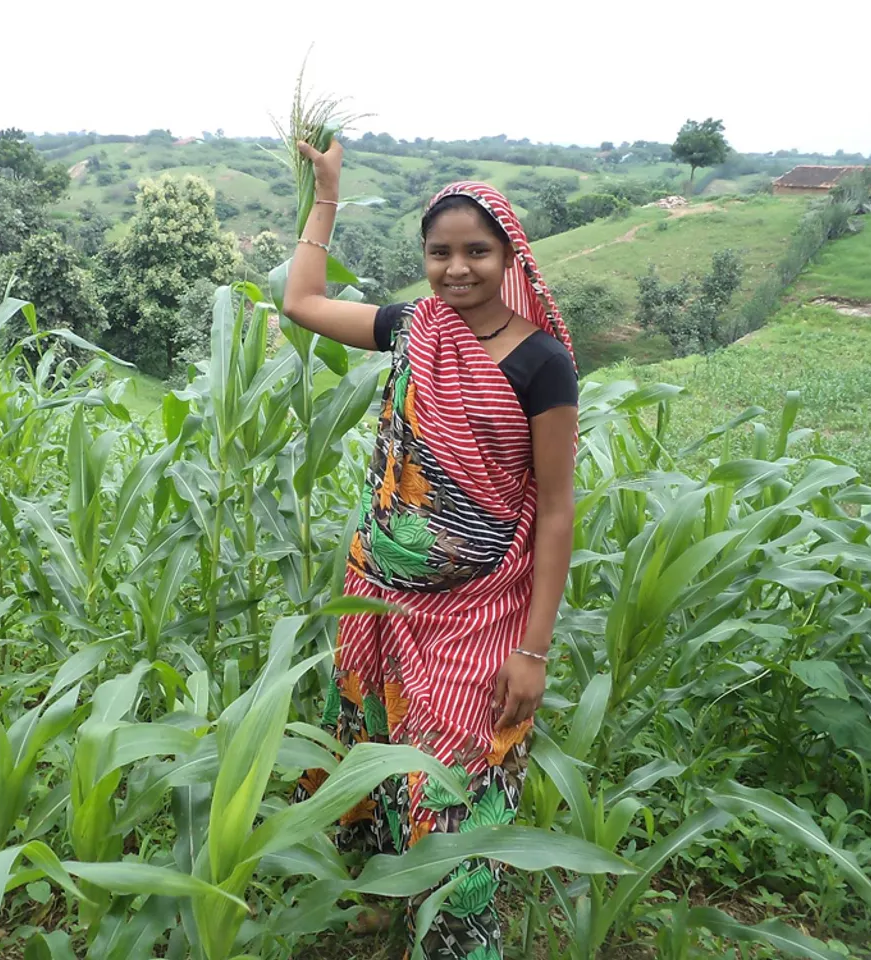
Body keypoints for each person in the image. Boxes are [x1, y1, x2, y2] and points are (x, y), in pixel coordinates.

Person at [284, 139, 579, 959]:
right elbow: (303, 302)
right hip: (380, 596)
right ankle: (386, 902)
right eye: (439, 251)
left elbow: (555, 511)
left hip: (479, 613)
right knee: (378, 752)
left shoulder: (540, 364)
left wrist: (534, 650)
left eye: (476, 250)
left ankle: (456, 936)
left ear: (509, 255)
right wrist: (327, 194)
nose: (456, 268)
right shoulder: (414, 329)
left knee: (455, 784)